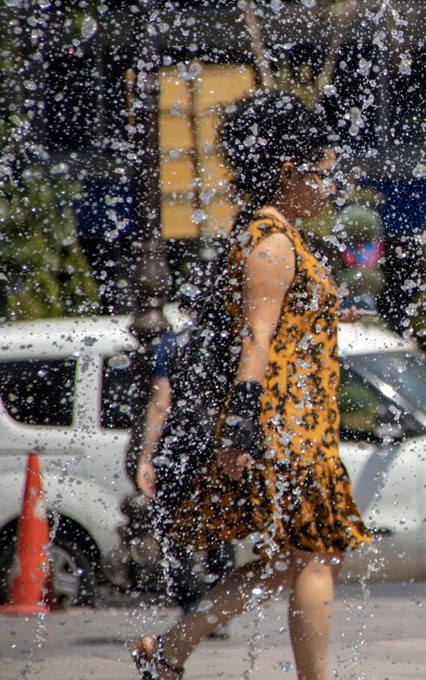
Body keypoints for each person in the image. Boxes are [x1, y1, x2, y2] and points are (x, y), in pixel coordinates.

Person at [130, 91, 371, 680]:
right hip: (284, 426)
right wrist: (239, 427)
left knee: (287, 560)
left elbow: (265, 321)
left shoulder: (263, 233)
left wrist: (323, 314)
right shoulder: (272, 241)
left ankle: (170, 649)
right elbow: (255, 340)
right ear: (290, 171)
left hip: (292, 422)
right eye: (324, 173)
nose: (329, 187)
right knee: (316, 554)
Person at [134, 330, 233, 636]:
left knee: (174, 528)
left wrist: (146, 457)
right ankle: (217, 607)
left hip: (180, 447)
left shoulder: (172, 343)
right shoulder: (229, 341)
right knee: (220, 525)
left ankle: (192, 603)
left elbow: (160, 402)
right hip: (217, 446)